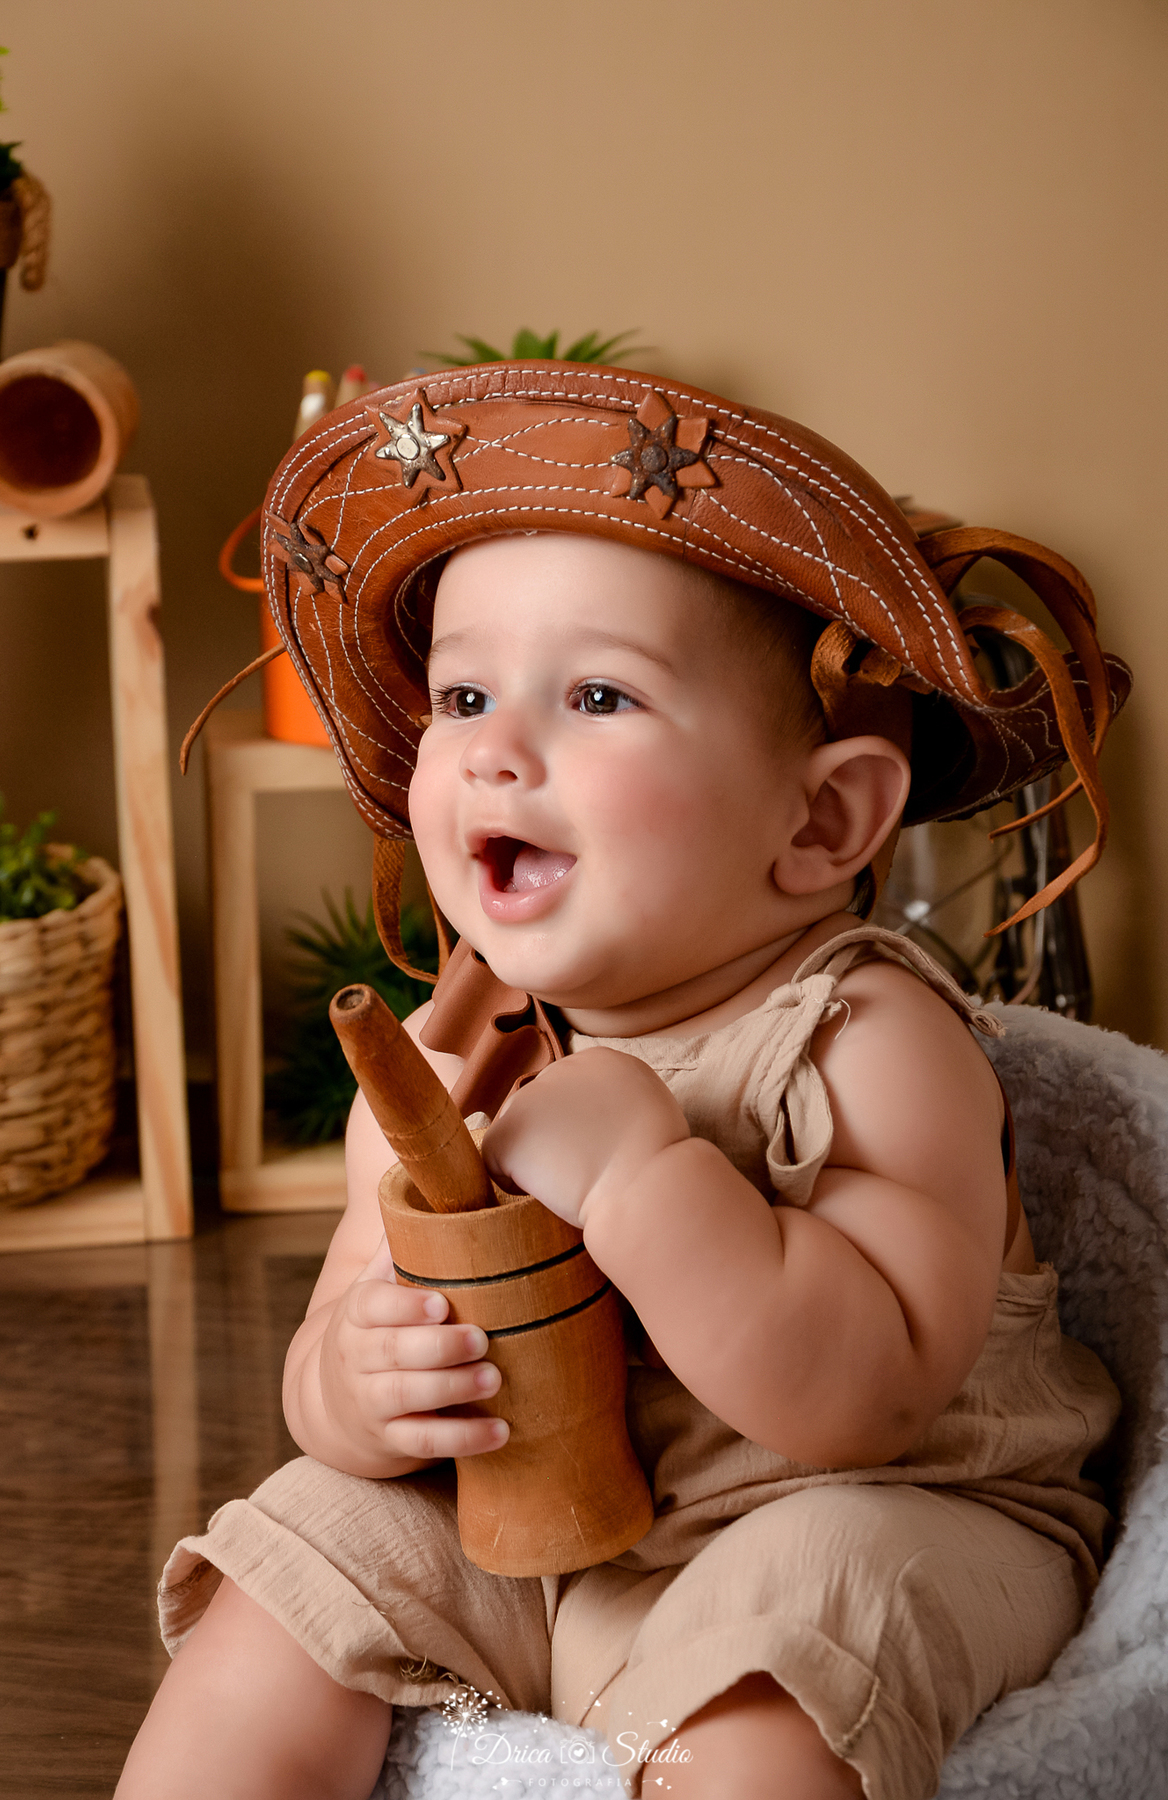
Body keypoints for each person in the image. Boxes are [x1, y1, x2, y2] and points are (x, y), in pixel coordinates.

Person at [119, 364, 1126, 1800]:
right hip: (545, 1539)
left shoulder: (868, 1039)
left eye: (597, 695)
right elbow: (334, 1336)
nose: (493, 749)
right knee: (302, 1547)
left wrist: (647, 1181)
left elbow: (872, 1398)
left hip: (872, 1510)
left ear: (822, 818)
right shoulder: (455, 1058)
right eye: (463, 694)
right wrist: (357, 1383)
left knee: (816, 1606)